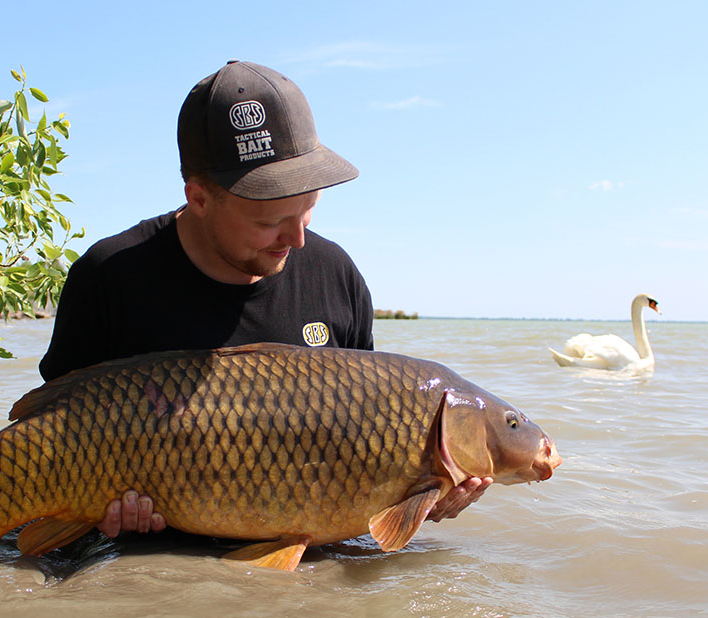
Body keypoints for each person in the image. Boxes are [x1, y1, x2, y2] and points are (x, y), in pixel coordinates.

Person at [39, 60, 489, 544]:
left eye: (309, 209)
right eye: (268, 221)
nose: (295, 239)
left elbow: (371, 453)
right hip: (156, 565)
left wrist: (425, 490)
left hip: (306, 563)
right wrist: (92, 510)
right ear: (199, 198)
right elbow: (53, 438)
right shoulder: (109, 277)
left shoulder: (336, 276)